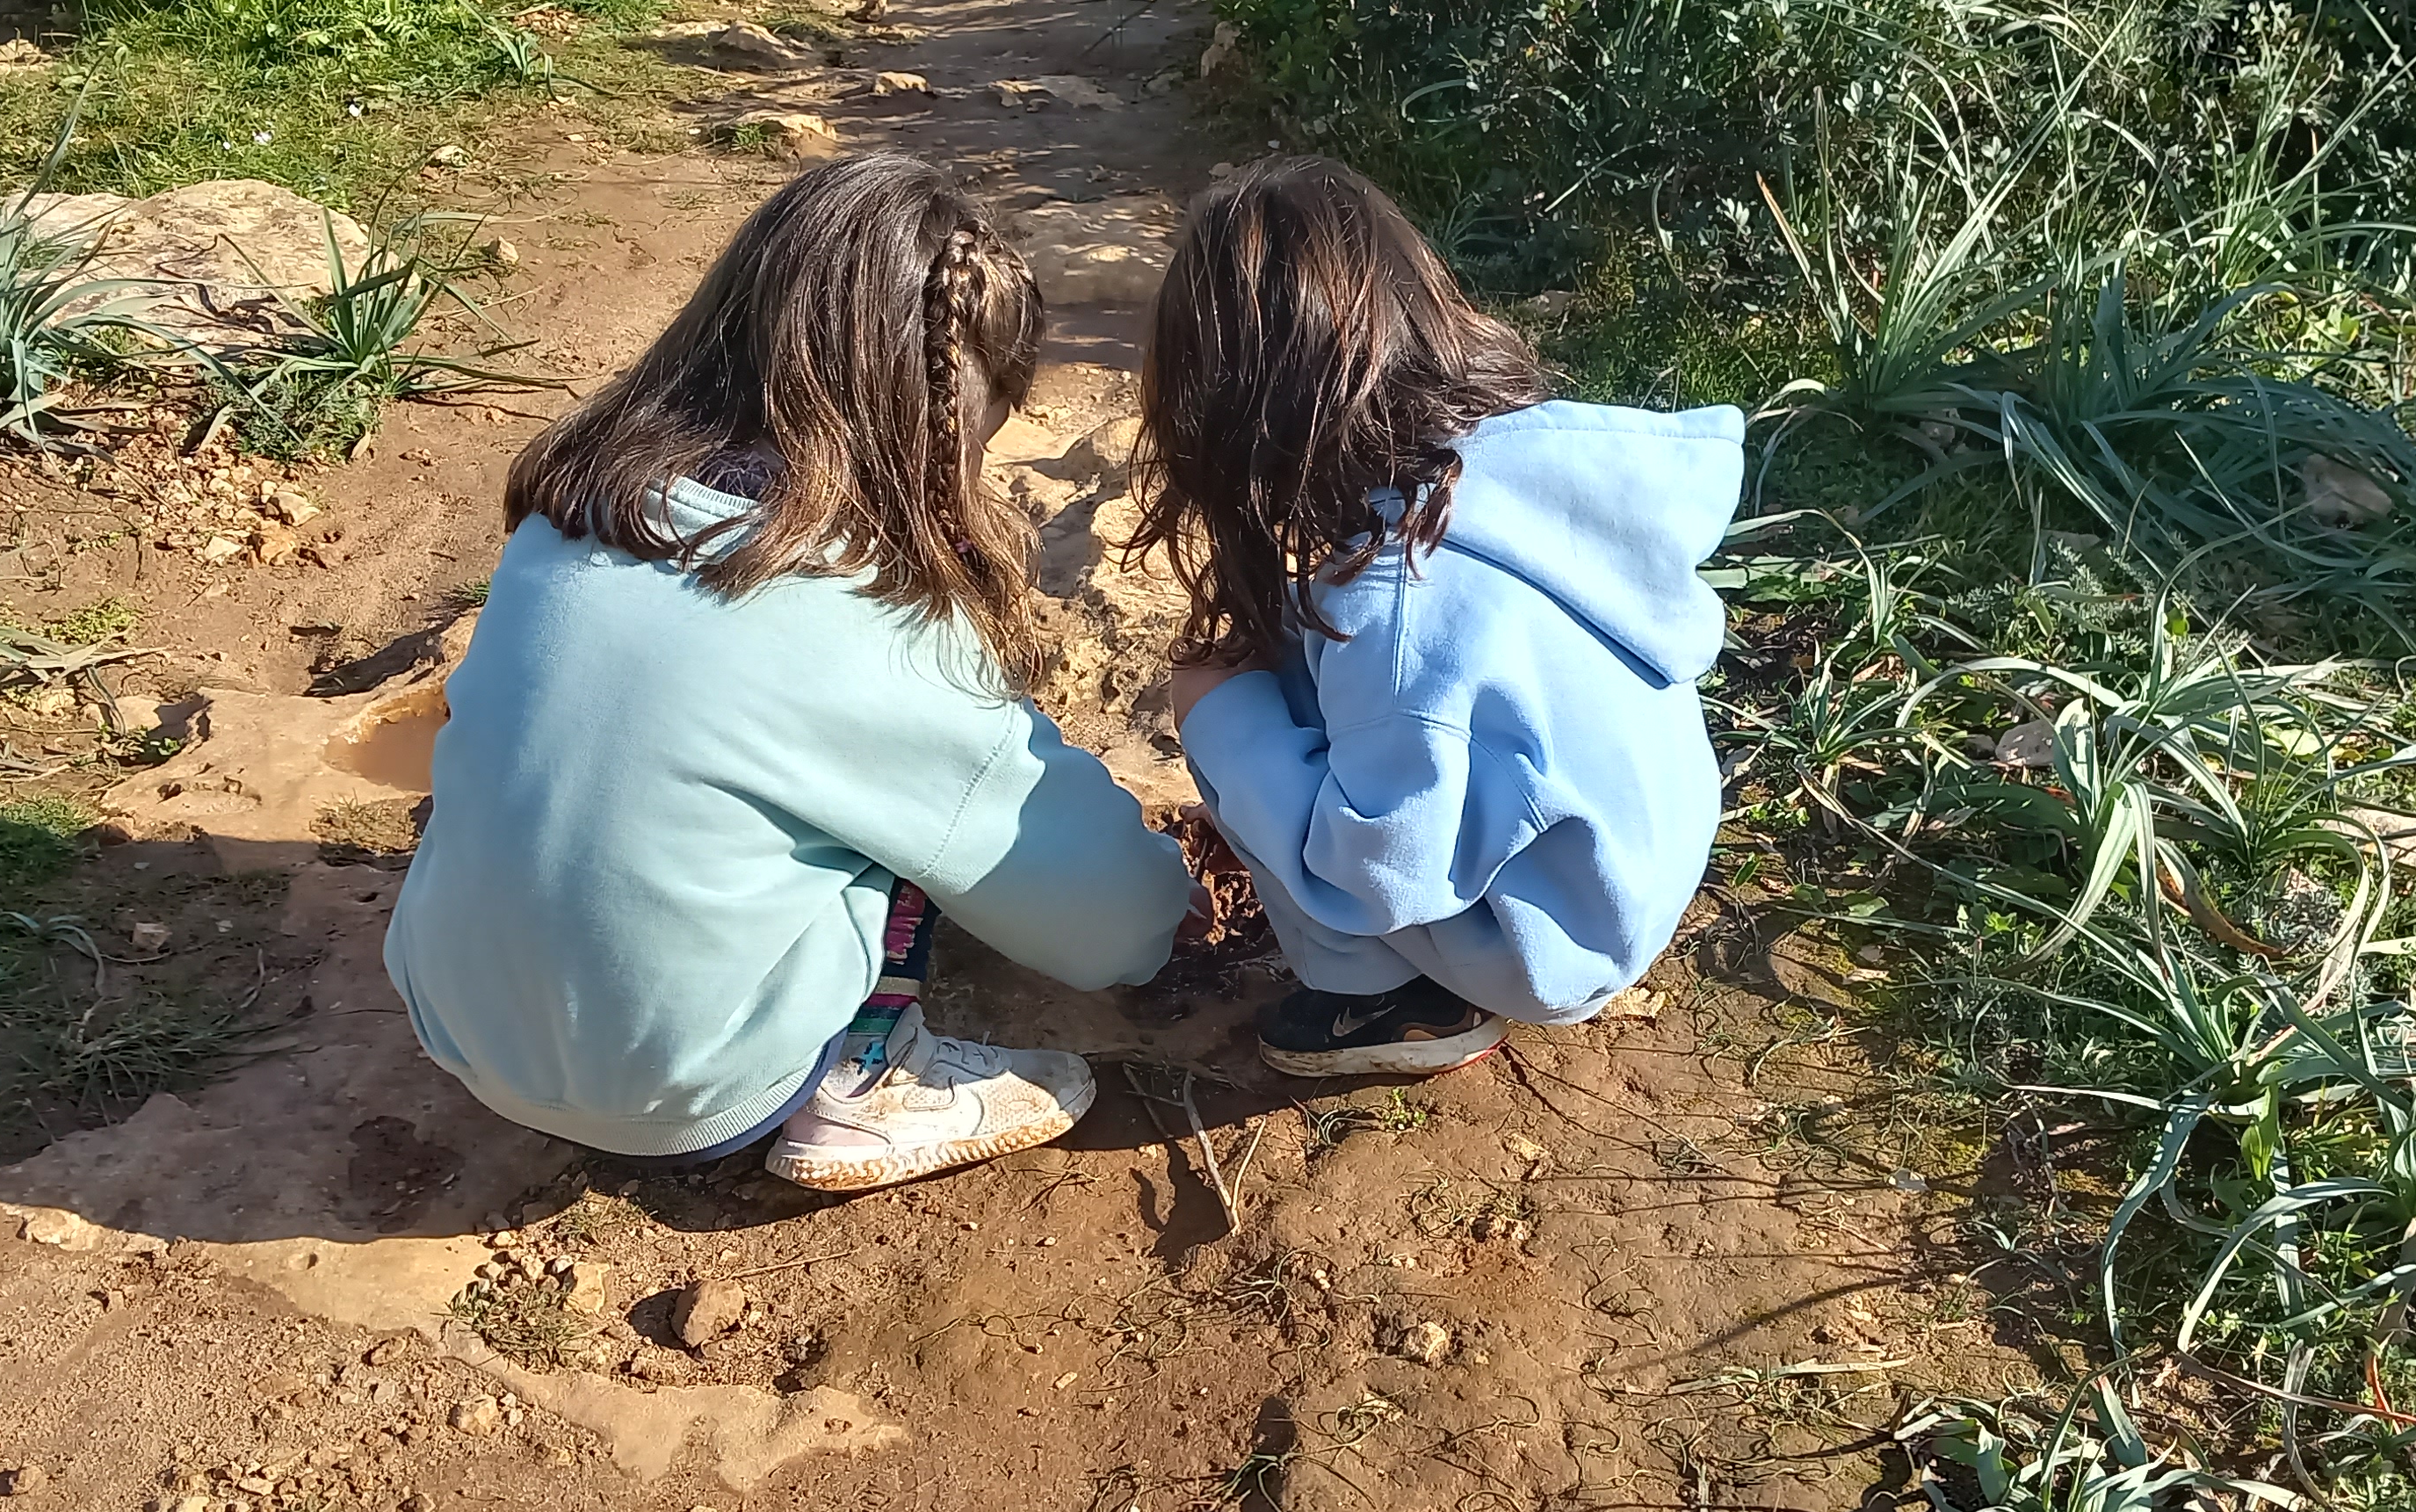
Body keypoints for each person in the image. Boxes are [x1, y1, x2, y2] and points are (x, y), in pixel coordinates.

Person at [385, 154, 1196, 1191]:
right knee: (905, 836)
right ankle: (870, 1079)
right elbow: (1112, 933)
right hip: (687, 1088)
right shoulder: (874, 616)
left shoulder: (569, 514)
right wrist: (1170, 893)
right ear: (946, 428)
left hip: (453, 1022)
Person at [1135, 156, 1743, 1078]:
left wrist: (1224, 729)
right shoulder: (1525, 476)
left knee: (1217, 693)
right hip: (1636, 867)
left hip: (1553, 949)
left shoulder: (1394, 600)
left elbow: (1375, 876)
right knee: (1300, 649)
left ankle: (1387, 999)